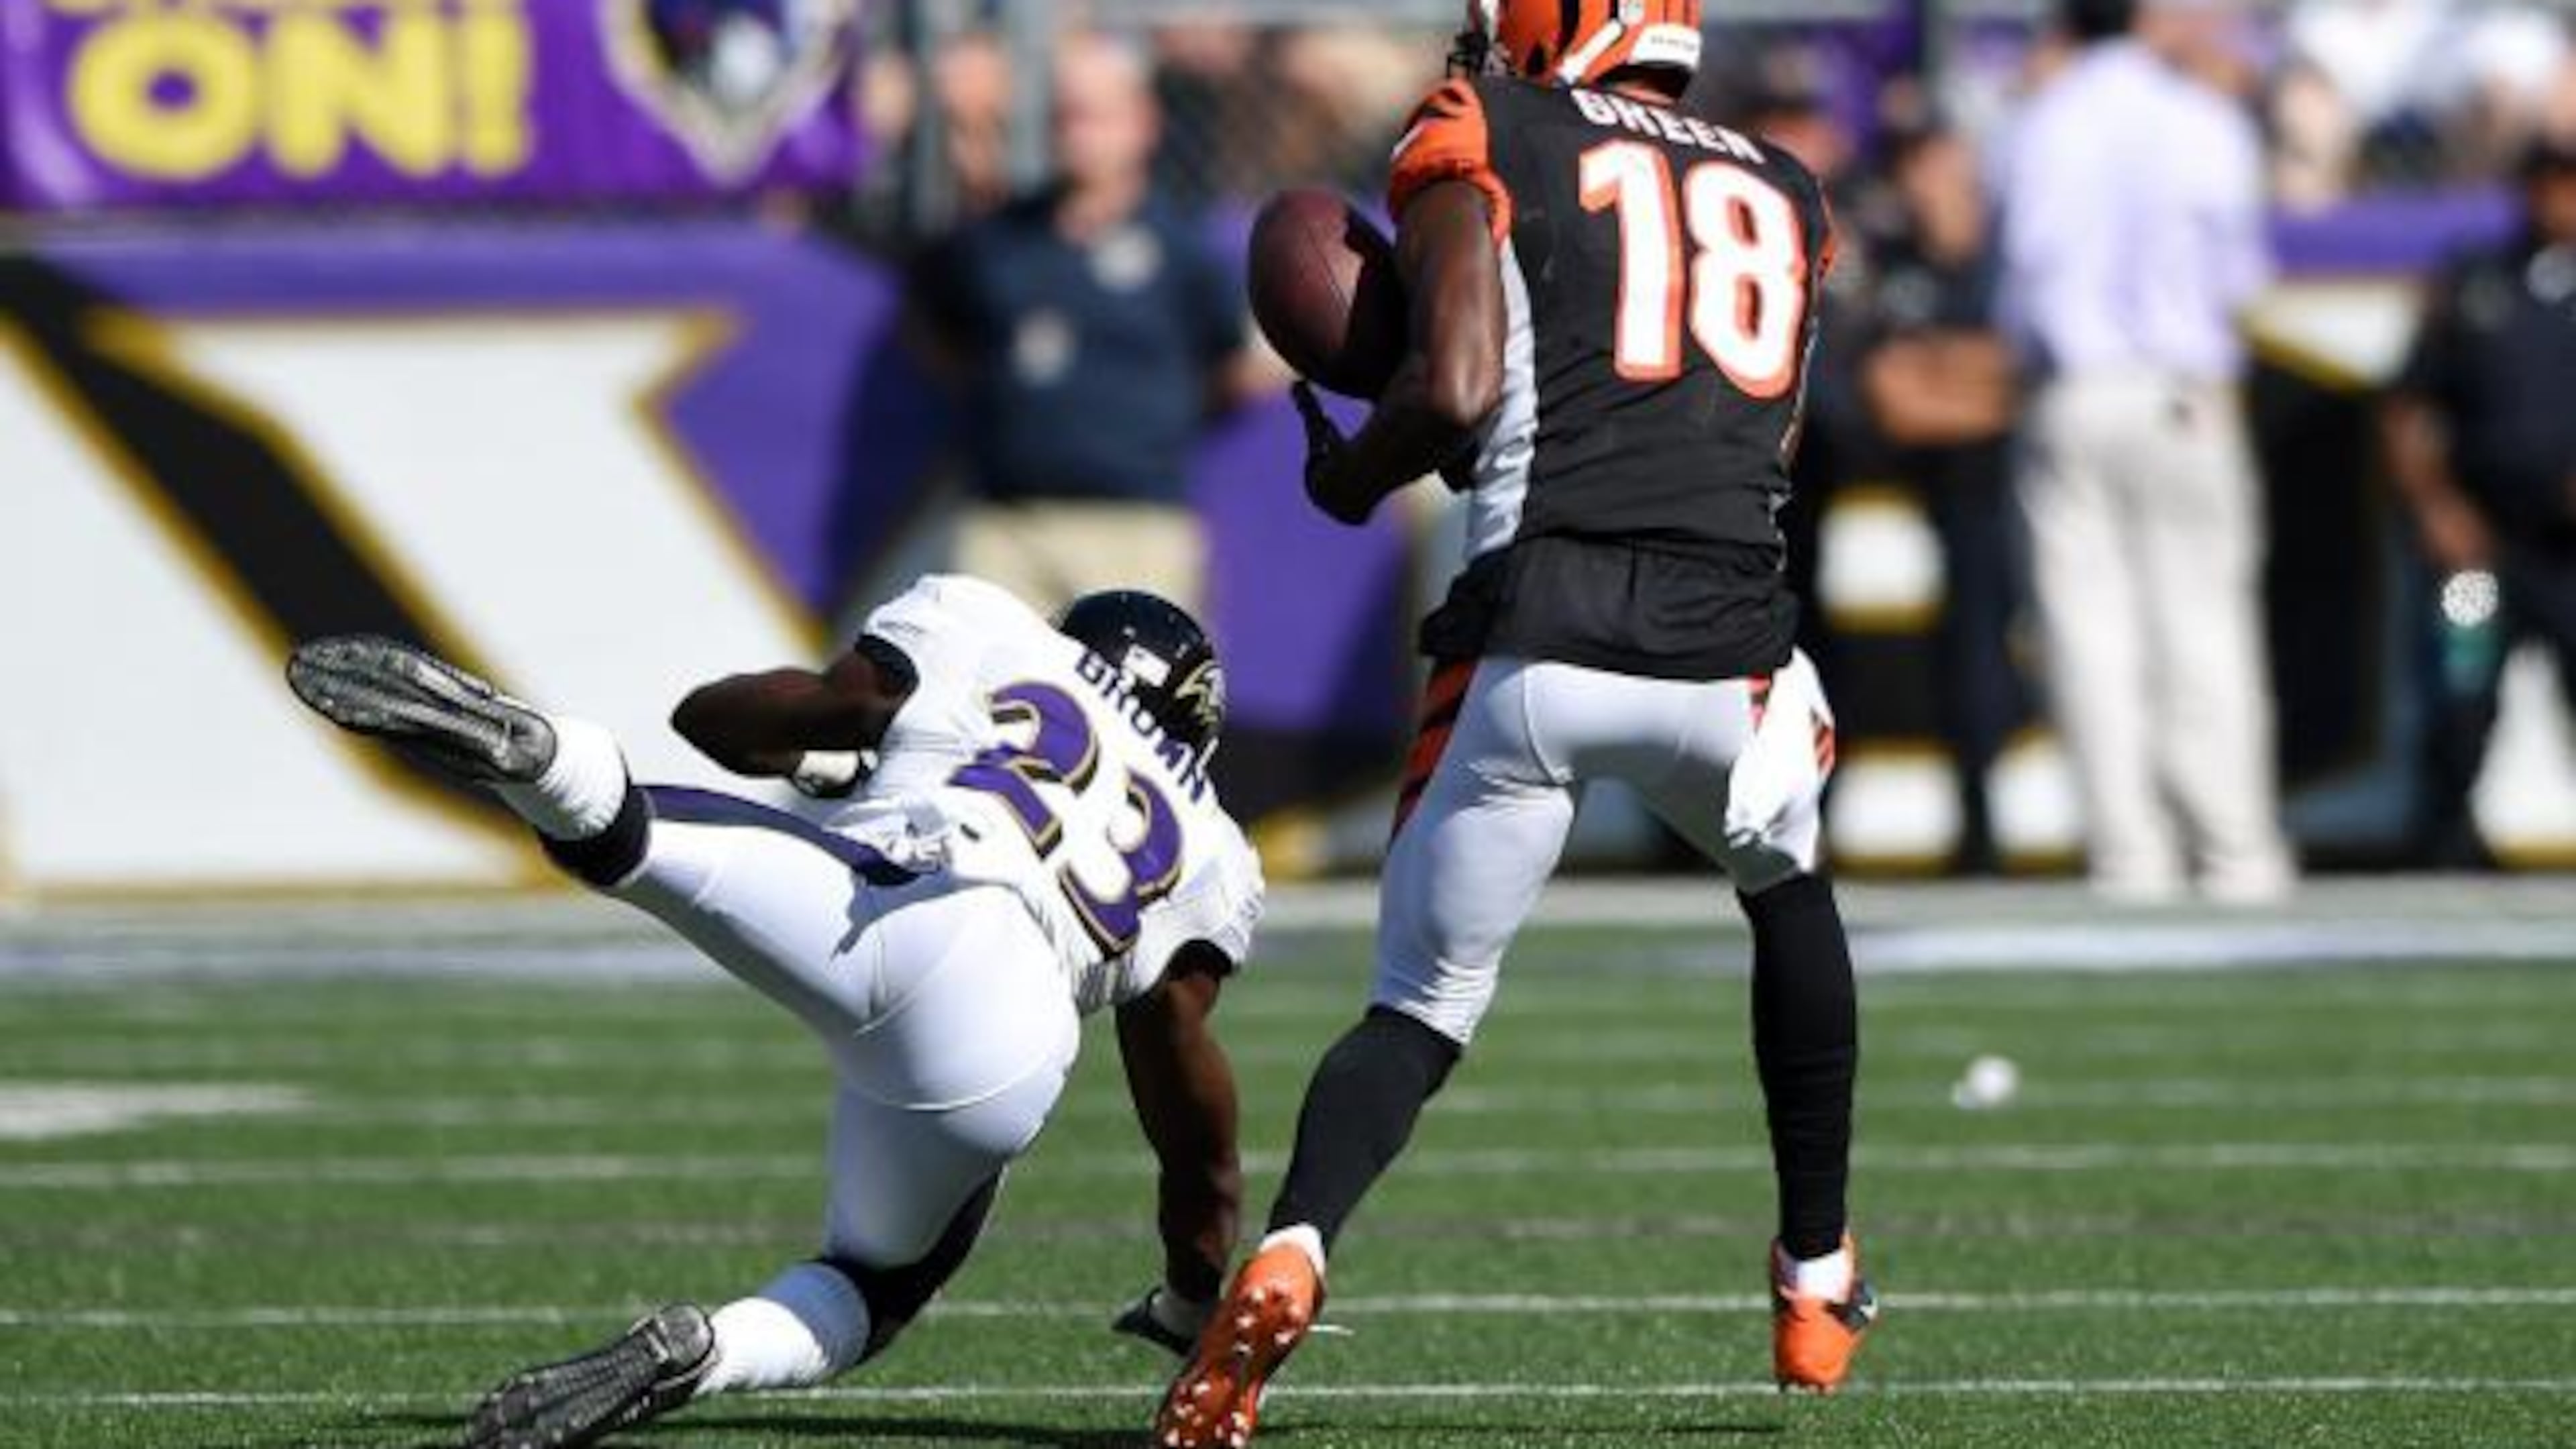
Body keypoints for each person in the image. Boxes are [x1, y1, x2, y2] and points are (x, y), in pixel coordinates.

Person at [1152, 5, 1872, 1444]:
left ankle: (1295, 1245)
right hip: (1731, 653)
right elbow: (1753, 436)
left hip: (1532, 636)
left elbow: (1466, 387)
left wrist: (1356, 476)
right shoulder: (1790, 189)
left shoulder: (1486, 125)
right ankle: (1815, 1272)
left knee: (1417, 1010)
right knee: (1787, 889)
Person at [284, 577, 1263, 1449]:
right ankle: (700, 1351)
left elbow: (719, 720)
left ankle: (544, 762)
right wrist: (1191, 1290)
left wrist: (826, 756)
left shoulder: (993, 629)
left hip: (902, 898)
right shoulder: (1212, 847)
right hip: (1009, 1045)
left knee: (620, 833)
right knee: (872, 1291)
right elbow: (1186, 1109)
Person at [1994, 0, 2298, 903]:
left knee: (2088, 636)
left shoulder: (2038, 119)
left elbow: (2020, 267)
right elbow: (2240, 276)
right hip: (2181, 390)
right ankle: (2236, 850)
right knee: (2204, 624)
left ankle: (2130, 855)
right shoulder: (2204, 119)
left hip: (2074, 387)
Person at [910, 34, 1263, 614]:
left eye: (1095, 117)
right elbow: (938, 332)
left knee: (1139, 698)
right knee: (983, 695)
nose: (1077, 133)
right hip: (1009, 522)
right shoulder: (1001, 240)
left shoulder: (1180, 251)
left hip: (1137, 525)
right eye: (1065, 116)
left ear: (1142, 123)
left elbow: (1236, 367)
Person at [2382, 133, 2576, 865]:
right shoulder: (2476, 285)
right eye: (2553, 179)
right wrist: (2437, 507)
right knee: (2462, 687)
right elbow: (2408, 409)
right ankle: (2444, 844)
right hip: (2480, 554)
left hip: (2565, 557)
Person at [1855, 115, 2027, 873]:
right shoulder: (1894, 261)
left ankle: (1988, 823)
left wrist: (1944, 374)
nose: (1922, 181)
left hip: (2008, 485)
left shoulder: (2008, 256)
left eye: (1934, 158)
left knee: (1995, 645)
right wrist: (1970, 378)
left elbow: (2017, 378)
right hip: (1924, 483)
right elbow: (1888, 392)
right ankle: (1972, 830)